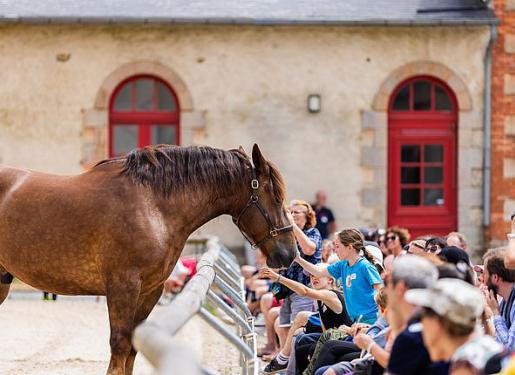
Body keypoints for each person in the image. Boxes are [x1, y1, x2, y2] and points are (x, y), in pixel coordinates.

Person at [260, 265, 351, 374]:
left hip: (342, 337)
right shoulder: (320, 298)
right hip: (329, 335)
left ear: (330, 280)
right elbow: (324, 330)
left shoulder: (331, 295)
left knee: (302, 340)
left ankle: (283, 361)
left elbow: (304, 291)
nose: (314, 278)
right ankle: (289, 368)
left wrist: (278, 278)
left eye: (317, 275)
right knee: (300, 337)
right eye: (312, 276)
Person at [405, 278, 504, 375]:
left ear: (437, 322)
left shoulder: (466, 366)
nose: (422, 327)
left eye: (423, 317)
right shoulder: (487, 349)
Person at [294, 228, 383, 325]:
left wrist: (380, 318)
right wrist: (298, 259)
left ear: (349, 247)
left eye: (337, 246)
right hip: (354, 320)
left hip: (369, 320)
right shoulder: (342, 265)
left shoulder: (365, 266)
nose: (335, 250)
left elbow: (380, 291)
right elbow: (318, 272)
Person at [385, 255, 448, 375]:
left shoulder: (410, 338)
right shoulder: (437, 322)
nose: (386, 290)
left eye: (388, 282)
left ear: (400, 288)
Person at [274, 200, 322, 352]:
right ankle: (283, 363)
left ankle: (293, 366)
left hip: (304, 289)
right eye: (290, 212)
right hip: (287, 289)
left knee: (298, 330)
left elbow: (309, 249)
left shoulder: (313, 233)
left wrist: (292, 225)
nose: (293, 215)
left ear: (307, 216)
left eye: (296, 212)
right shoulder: (286, 235)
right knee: (284, 328)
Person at [482, 247, 515, 350]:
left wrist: (496, 313)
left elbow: (510, 348)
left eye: (485, 273)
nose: (481, 277)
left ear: (495, 278)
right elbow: (498, 341)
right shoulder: (504, 301)